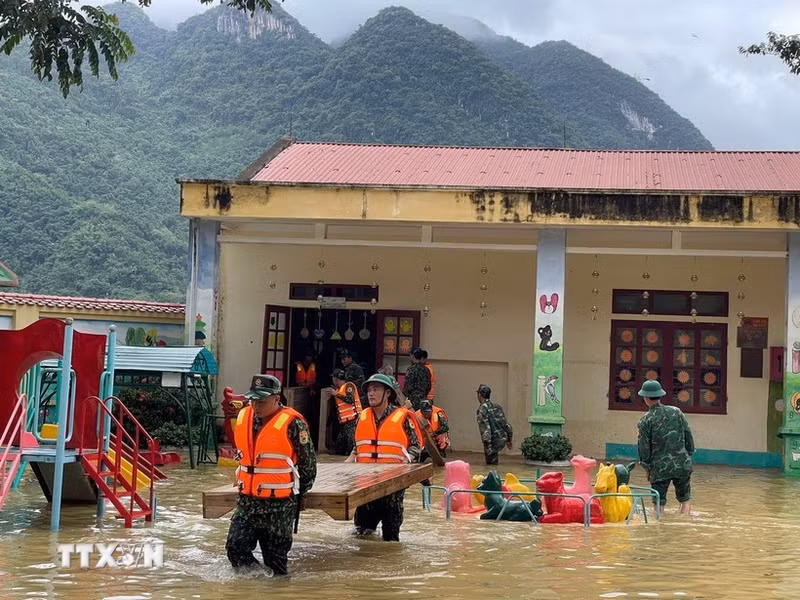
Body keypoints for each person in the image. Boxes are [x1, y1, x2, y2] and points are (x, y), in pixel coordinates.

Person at [226, 374, 317, 576]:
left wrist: (300, 494)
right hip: (247, 502)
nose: (256, 406)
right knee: (235, 548)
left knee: (276, 564)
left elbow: (309, 465)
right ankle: (257, 584)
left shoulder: (294, 424)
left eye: (262, 401)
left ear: (277, 398)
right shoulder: (244, 417)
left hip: (280, 506)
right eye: (253, 400)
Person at [346, 373, 421, 541]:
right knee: (362, 537)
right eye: (369, 390)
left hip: (392, 489)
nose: (371, 393)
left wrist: (407, 458)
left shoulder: (402, 417)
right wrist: (345, 466)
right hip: (365, 489)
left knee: (391, 542)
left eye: (376, 389)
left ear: (387, 393)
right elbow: (357, 448)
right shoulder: (362, 417)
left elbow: (416, 447)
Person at [636, 379, 695, 514]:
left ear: (645, 398)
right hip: (682, 464)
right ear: (660, 395)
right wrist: (688, 455)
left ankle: (660, 529)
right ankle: (684, 525)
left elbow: (644, 449)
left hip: (659, 468)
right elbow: (688, 436)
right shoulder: (677, 412)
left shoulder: (645, 420)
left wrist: (646, 468)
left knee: (659, 502)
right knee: (685, 499)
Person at [476, 384, 513, 465]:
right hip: (500, 440)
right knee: (494, 465)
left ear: (479, 394)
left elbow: (485, 429)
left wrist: (488, 446)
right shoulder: (496, 407)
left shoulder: (482, 409)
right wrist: (509, 439)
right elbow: (505, 424)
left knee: (490, 467)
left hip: (491, 442)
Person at [329, 368, 359, 455]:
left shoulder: (348, 386)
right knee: (339, 446)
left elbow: (350, 399)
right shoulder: (339, 389)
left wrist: (336, 394)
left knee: (351, 446)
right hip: (345, 422)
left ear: (336, 379)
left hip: (353, 420)